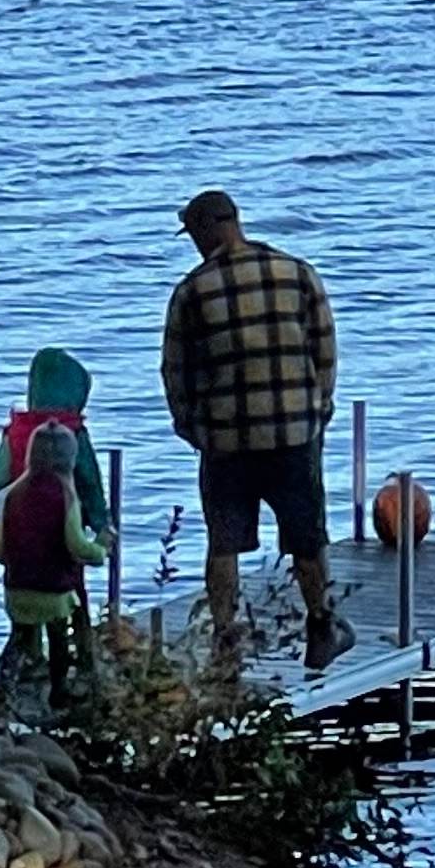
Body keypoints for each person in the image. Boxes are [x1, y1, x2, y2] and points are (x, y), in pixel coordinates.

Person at [161, 187, 352, 673]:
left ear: (205, 231)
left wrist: (191, 427)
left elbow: (175, 371)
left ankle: (226, 639)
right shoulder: (297, 273)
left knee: (224, 541)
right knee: (307, 537)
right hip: (292, 435)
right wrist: (317, 407)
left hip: (225, 443)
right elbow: (324, 350)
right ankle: (321, 626)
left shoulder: (192, 291)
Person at [0, 416, 110, 710]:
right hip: (54, 590)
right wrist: (101, 550)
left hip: (16, 586)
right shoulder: (66, 497)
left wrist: (17, 557)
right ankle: (59, 688)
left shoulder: (11, 495)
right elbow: (77, 546)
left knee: (20, 633)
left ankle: (3, 685)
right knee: (58, 637)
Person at [0, 345, 114, 545]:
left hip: (18, 531)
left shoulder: (16, 432)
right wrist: (102, 526)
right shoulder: (72, 433)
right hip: (65, 530)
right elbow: (90, 484)